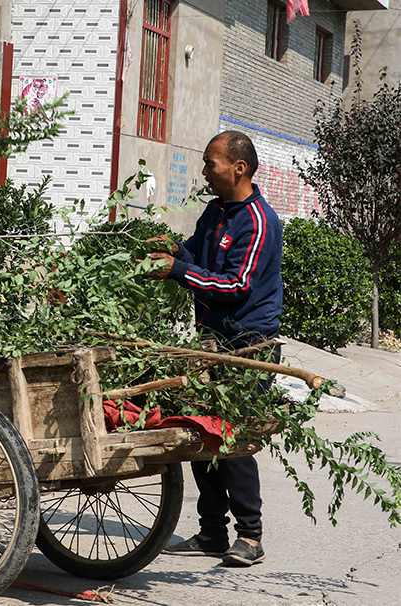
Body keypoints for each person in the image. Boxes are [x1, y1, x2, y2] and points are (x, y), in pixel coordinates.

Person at [140, 131, 283, 567]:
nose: (205, 171)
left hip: (247, 346)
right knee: (200, 434)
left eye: (210, 163)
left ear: (238, 167)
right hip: (211, 341)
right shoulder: (215, 212)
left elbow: (235, 286)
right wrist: (173, 250)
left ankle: (251, 536)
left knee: (232, 438)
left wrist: (177, 270)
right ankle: (211, 533)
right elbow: (197, 260)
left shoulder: (258, 221)